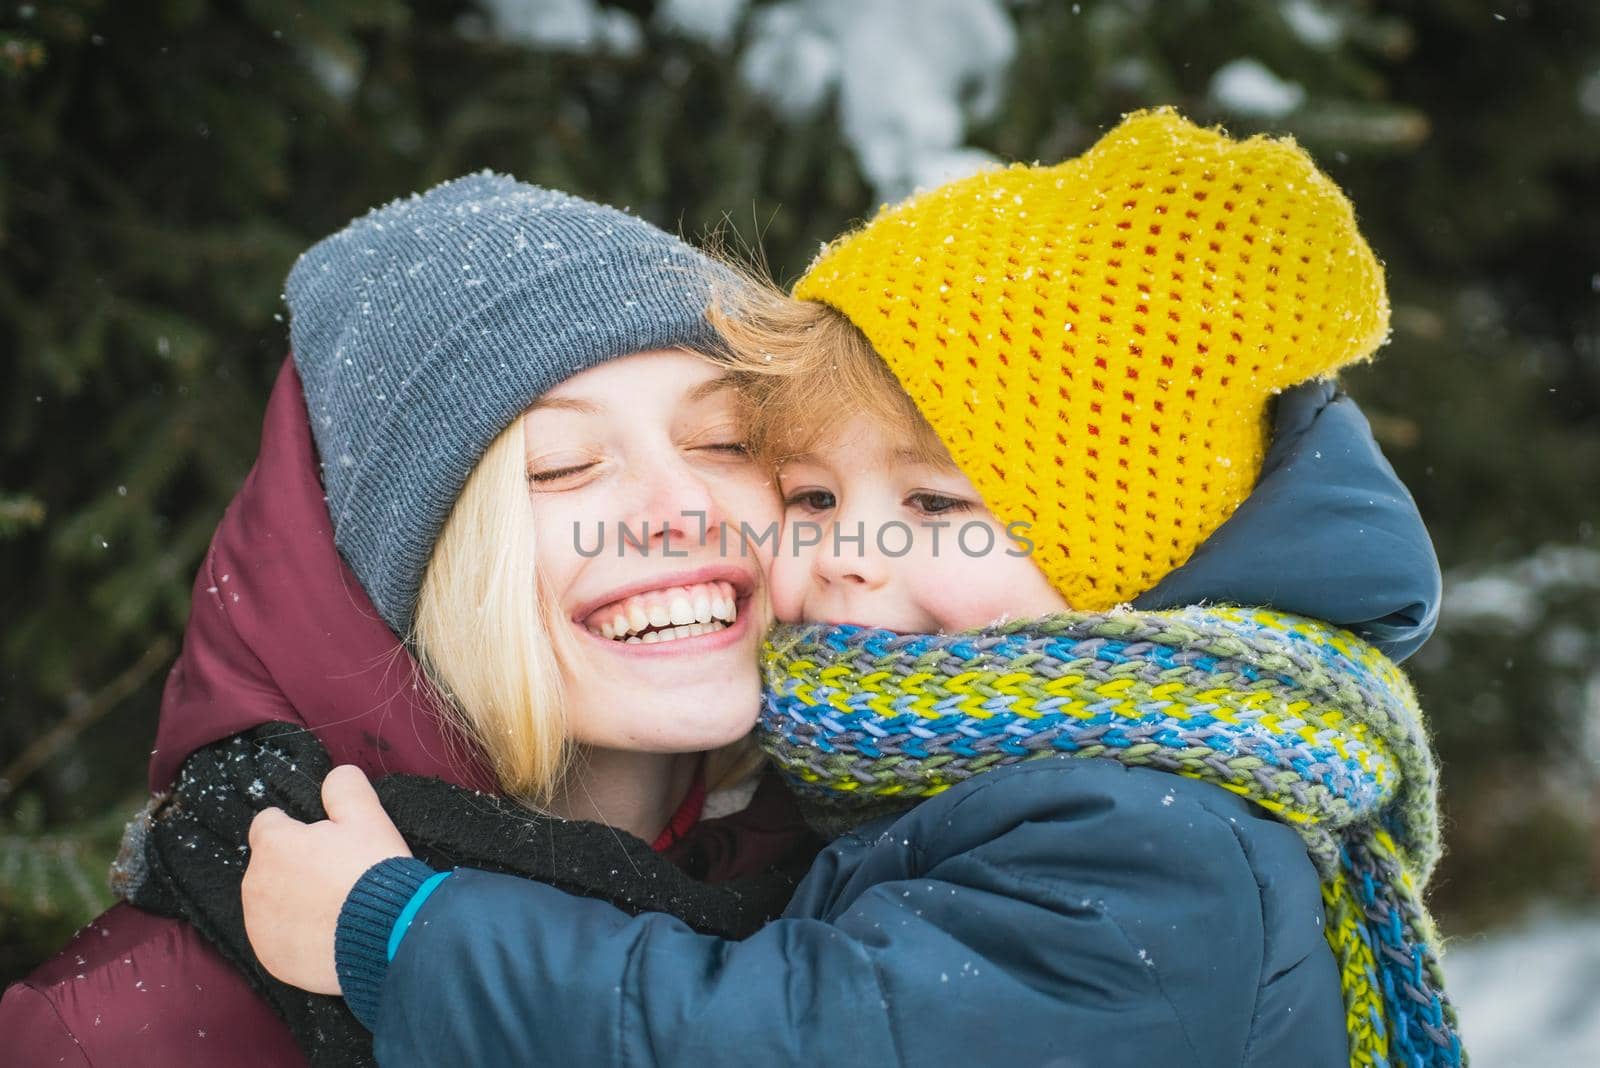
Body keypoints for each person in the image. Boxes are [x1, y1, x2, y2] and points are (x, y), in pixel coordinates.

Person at [241, 112, 1462, 1066]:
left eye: (936, 507)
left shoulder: (1147, 835)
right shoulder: (1003, 779)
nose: (847, 552)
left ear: (1136, 555)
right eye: (813, 497)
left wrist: (400, 936)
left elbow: (783, 1044)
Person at [0, 174, 824, 1066]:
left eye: (726, 442)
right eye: (560, 465)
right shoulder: (118, 1038)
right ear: (416, 567)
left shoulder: (885, 906)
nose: (683, 505)